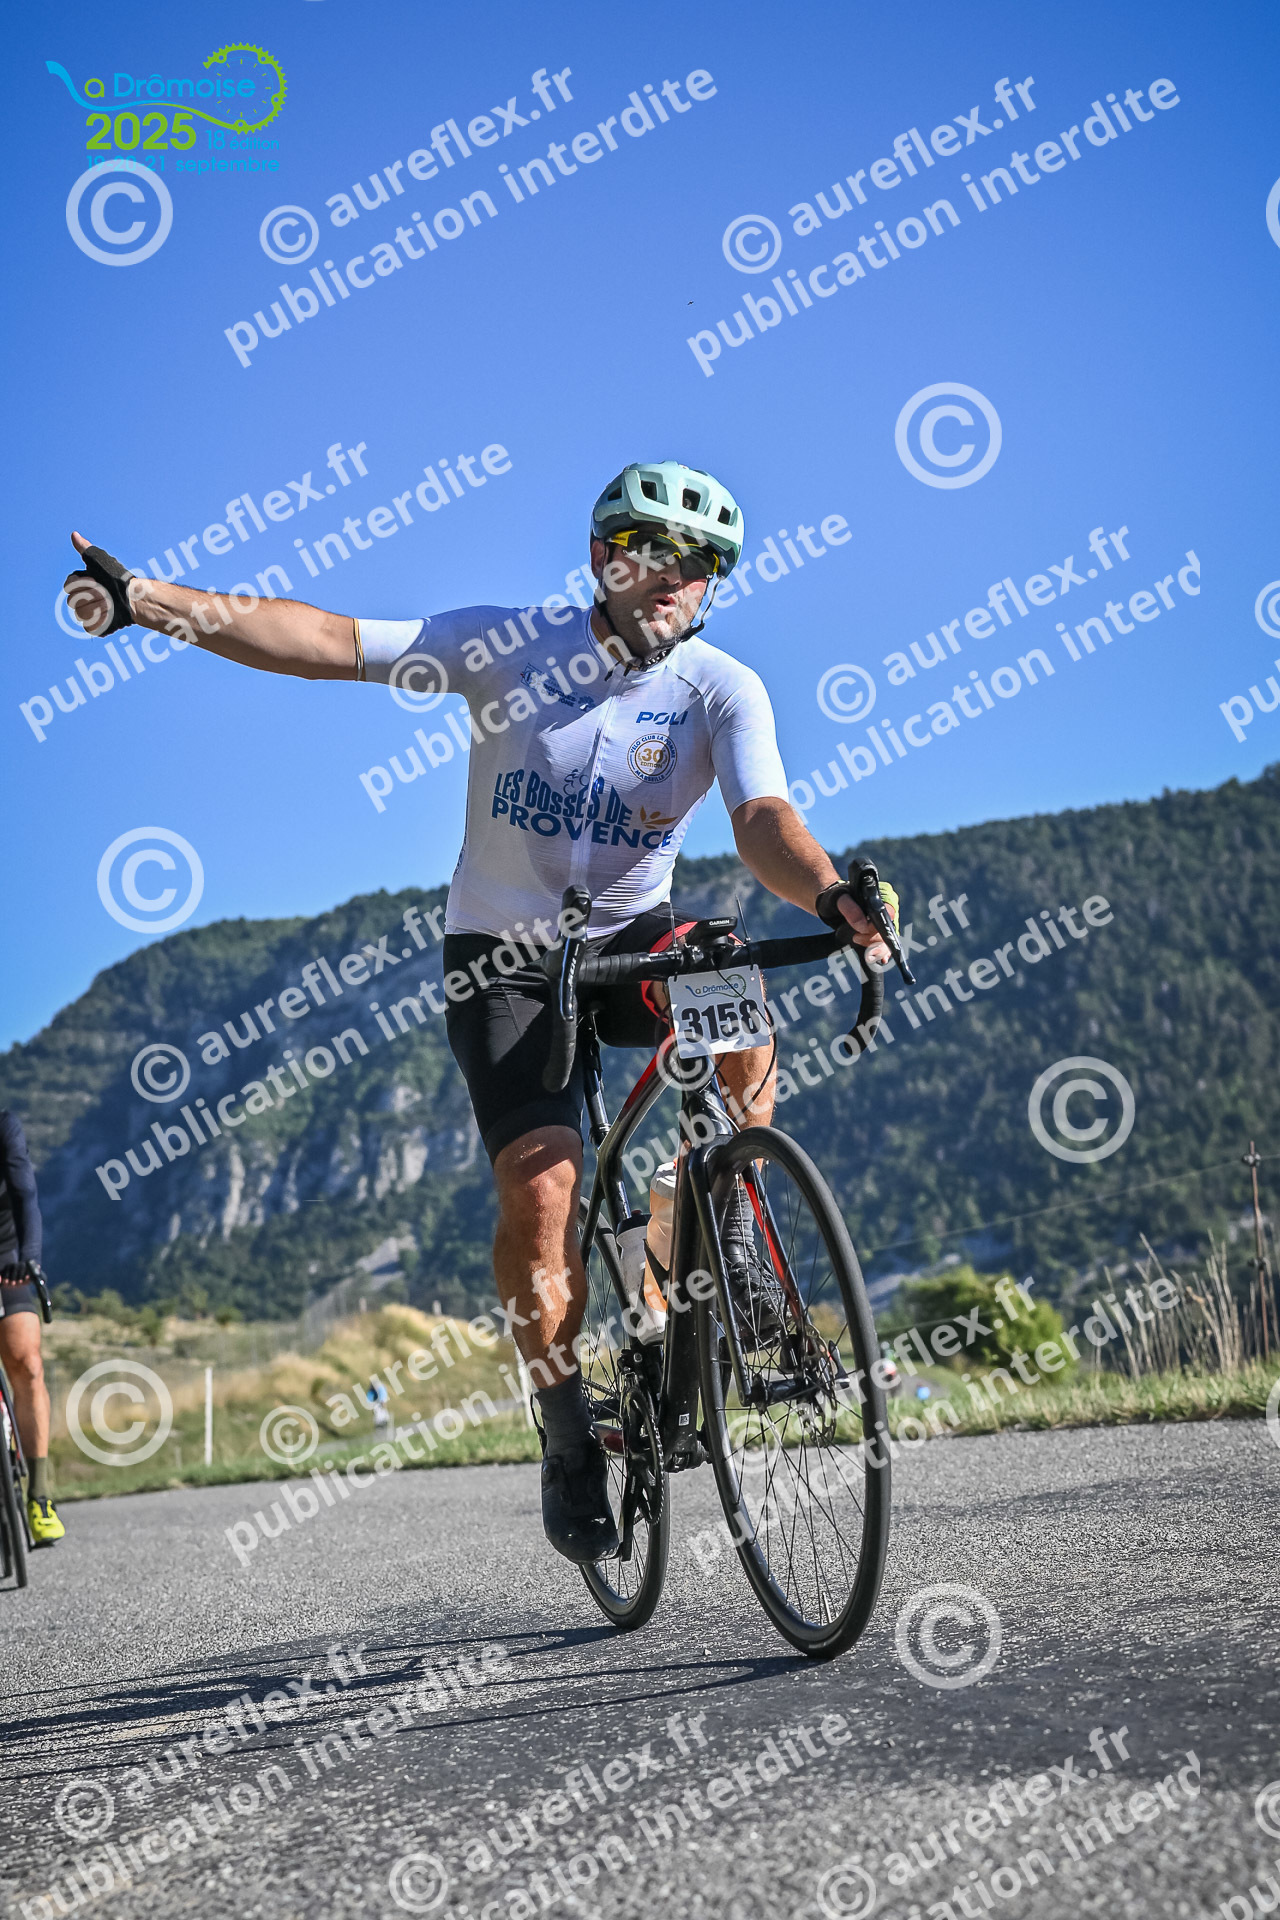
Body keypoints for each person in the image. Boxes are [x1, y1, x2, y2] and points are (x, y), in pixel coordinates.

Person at [62, 459, 894, 1565]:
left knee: (732, 988)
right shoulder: (509, 646)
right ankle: (566, 1429)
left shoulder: (721, 689)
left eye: (698, 566)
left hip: (629, 936)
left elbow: (761, 819)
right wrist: (150, 602)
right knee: (542, 1192)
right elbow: (327, 642)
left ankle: (724, 1231)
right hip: (502, 958)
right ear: (602, 558)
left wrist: (830, 894)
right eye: (652, 554)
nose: (673, 579)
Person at [0, 1110, 64, 1543]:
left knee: (27, 1363)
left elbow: (26, 1196)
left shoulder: (4, 1125)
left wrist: (30, 1259)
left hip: (6, 1261)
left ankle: (39, 1497)